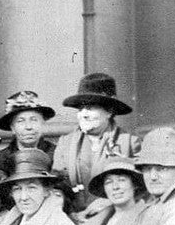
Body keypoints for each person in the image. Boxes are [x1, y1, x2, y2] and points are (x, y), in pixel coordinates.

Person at [52, 73, 140, 214]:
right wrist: (68, 212)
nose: (84, 114)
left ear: (109, 111)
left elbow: (142, 187)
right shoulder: (65, 144)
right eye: (81, 109)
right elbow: (58, 185)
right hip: (76, 220)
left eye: (91, 108)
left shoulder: (129, 143)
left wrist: (110, 201)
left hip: (117, 216)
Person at [77, 156, 149, 225]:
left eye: (121, 180)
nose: (115, 187)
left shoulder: (147, 217)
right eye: (109, 182)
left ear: (135, 185)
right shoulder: (94, 221)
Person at [0, 90, 57, 176]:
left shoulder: (57, 155)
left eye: (34, 120)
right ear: (13, 128)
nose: (28, 127)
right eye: (20, 121)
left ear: (42, 124)